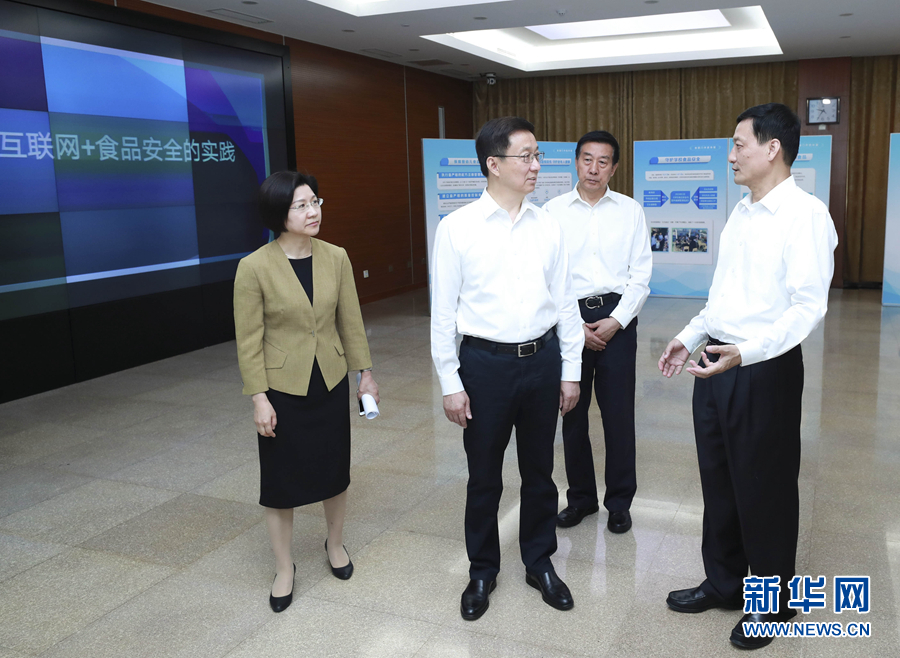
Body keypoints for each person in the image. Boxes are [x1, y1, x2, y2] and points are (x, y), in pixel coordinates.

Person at [658, 103, 838, 650]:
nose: (731, 155)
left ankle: (775, 603)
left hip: (764, 368)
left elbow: (807, 307)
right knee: (719, 480)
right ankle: (726, 582)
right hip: (717, 360)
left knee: (765, 487)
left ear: (772, 148)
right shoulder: (741, 211)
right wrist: (690, 335)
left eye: (739, 144)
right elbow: (724, 294)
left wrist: (746, 351)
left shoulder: (805, 215)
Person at [430, 116, 584, 621]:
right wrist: (450, 383)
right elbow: (443, 315)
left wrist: (570, 370)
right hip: (485, 366)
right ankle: (482, 570)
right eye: (526, 156)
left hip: (542, 362)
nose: (536, 165)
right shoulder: (457, 228)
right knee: (484, 476)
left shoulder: (548, 226)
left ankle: (539, 561)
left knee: (540, 472)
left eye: (538, 156)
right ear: (493, 164)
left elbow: (565, 304)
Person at [234, 170, 379, 613]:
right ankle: (284, 567)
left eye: (315, 201)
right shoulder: (254, 267)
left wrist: (365, 374)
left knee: (334, 471)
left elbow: (350, 321)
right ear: (279, 213)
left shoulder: (336, 257)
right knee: (280, 482)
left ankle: (334, 544)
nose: (313, 211)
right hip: (282, 389)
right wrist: (259, 398)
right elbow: (249, 340)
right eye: (301, 205)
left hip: (329, 381)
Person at [544, 130, 652, 535]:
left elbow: (640, 275)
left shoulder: (630, 211)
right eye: (587, 159)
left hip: (616, 318)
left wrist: (617, 320)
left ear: (614, 168)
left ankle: (619, 503)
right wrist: (573, 325)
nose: (594, 168)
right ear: (576, 162)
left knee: (618, 414)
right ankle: (581, 499)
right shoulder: (552, 212)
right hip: (568, 316)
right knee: (571, 411)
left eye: (603, 161)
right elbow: (547, 275)